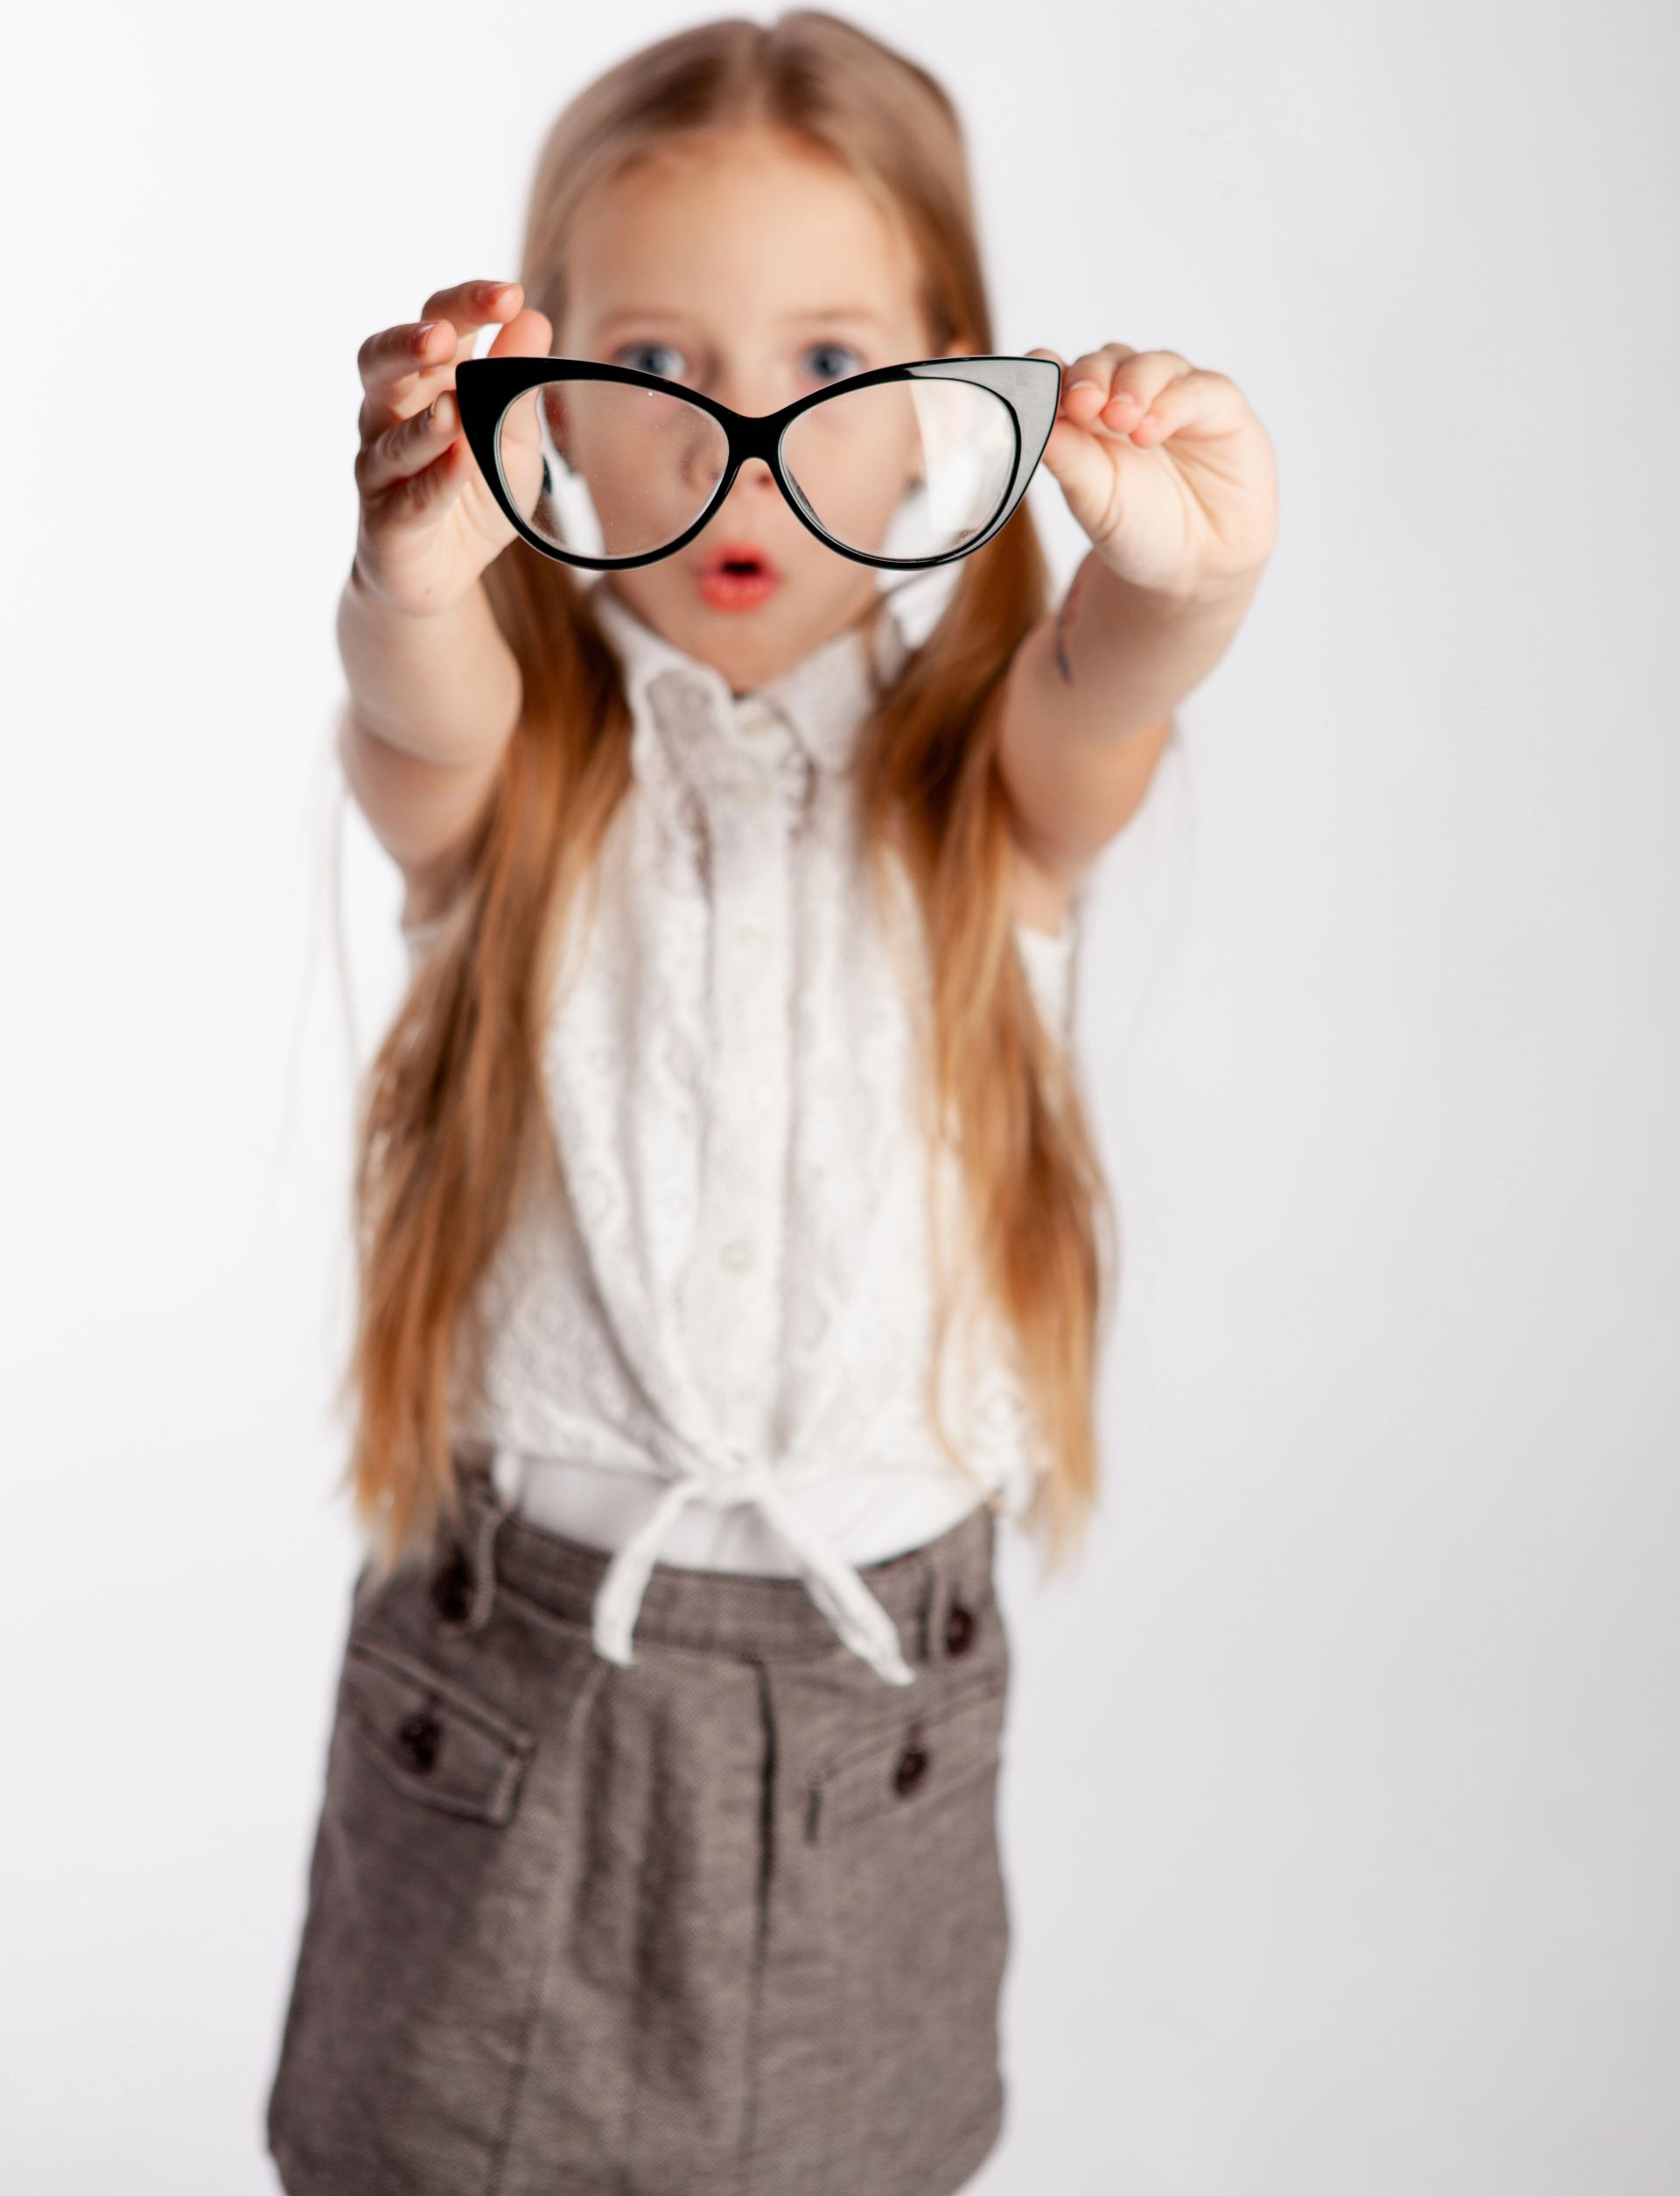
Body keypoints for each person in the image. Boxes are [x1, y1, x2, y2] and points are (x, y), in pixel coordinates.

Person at [264, 12, 1278, 2195]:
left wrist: (1183, 575)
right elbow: (415, 713)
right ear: (546, 405)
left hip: (869, 1722)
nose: (740, 438)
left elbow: (1107, 689)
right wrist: (409, 573)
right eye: (656, 362)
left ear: (944, 410)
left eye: (830, 361)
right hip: (510, 1691)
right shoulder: (520, 767)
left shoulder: (978, 781)